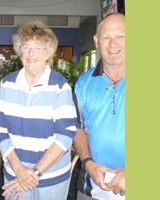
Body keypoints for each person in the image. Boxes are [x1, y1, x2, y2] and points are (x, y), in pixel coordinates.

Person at [0, 20, 77, 200]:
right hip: (15, 174)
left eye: (38, 48)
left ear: (48, 53)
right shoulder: (8, 83)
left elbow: (66, 135)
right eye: (26, 47)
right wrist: (19, 169)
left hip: (51, 177)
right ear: (19, 50)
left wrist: (35, 173)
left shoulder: (60, 86)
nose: (31, 53)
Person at [73, 13, 125, 200]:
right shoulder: (84, 83)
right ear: (96, 41)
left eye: (120, 36)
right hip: (92, 187)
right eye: (106, 37)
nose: (113, 44)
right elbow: (77, 128)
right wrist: (88, 163)